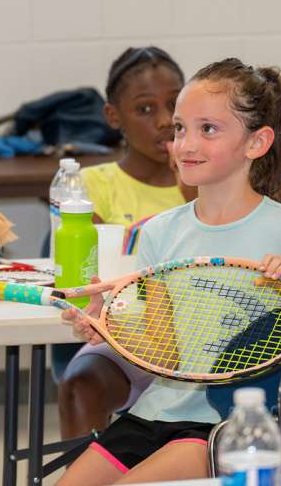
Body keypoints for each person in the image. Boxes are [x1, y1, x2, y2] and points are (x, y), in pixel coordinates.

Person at [58, 58, 281, 485]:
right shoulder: (161, 232)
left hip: (224, 424)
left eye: (209, 129)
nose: (185, 143)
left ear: (256, 143)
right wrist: (105, 324)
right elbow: (162, 356)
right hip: (154, 411)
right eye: (181, 128)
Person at [58, 46, 191, 440]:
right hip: (126, 339)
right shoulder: (92, 187)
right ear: (114, 117)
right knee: (80, 387)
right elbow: (86, 274)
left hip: (202, 338)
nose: (166, 121)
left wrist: (191, 188)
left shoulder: (214, 178)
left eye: (174, 105)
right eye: (146, 109)